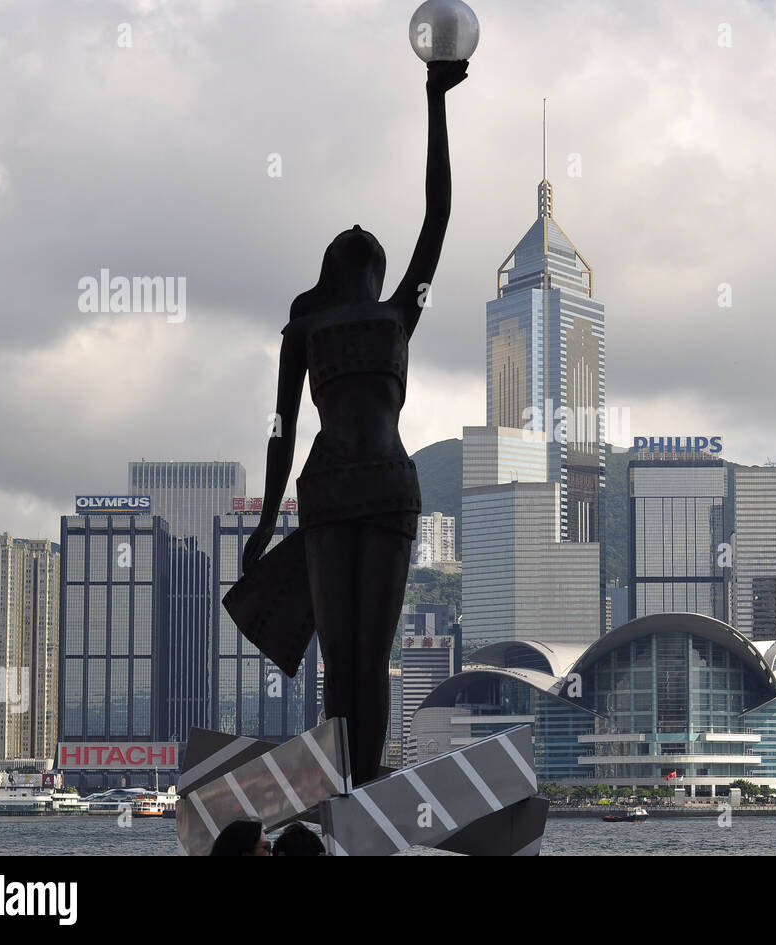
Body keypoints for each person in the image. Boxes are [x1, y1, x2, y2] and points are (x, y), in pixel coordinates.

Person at [235, 58, 470, 787]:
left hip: (356, 489)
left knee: (356, 657)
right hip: (360, 489)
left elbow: (437, 216)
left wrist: (436, 100)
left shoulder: (372, 315)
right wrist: (269, 521)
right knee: (356, 657)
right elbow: (438, 216)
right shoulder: (361, 319)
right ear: (355, 268)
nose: (371, 246)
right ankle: (351, 785)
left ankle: (356, 784)